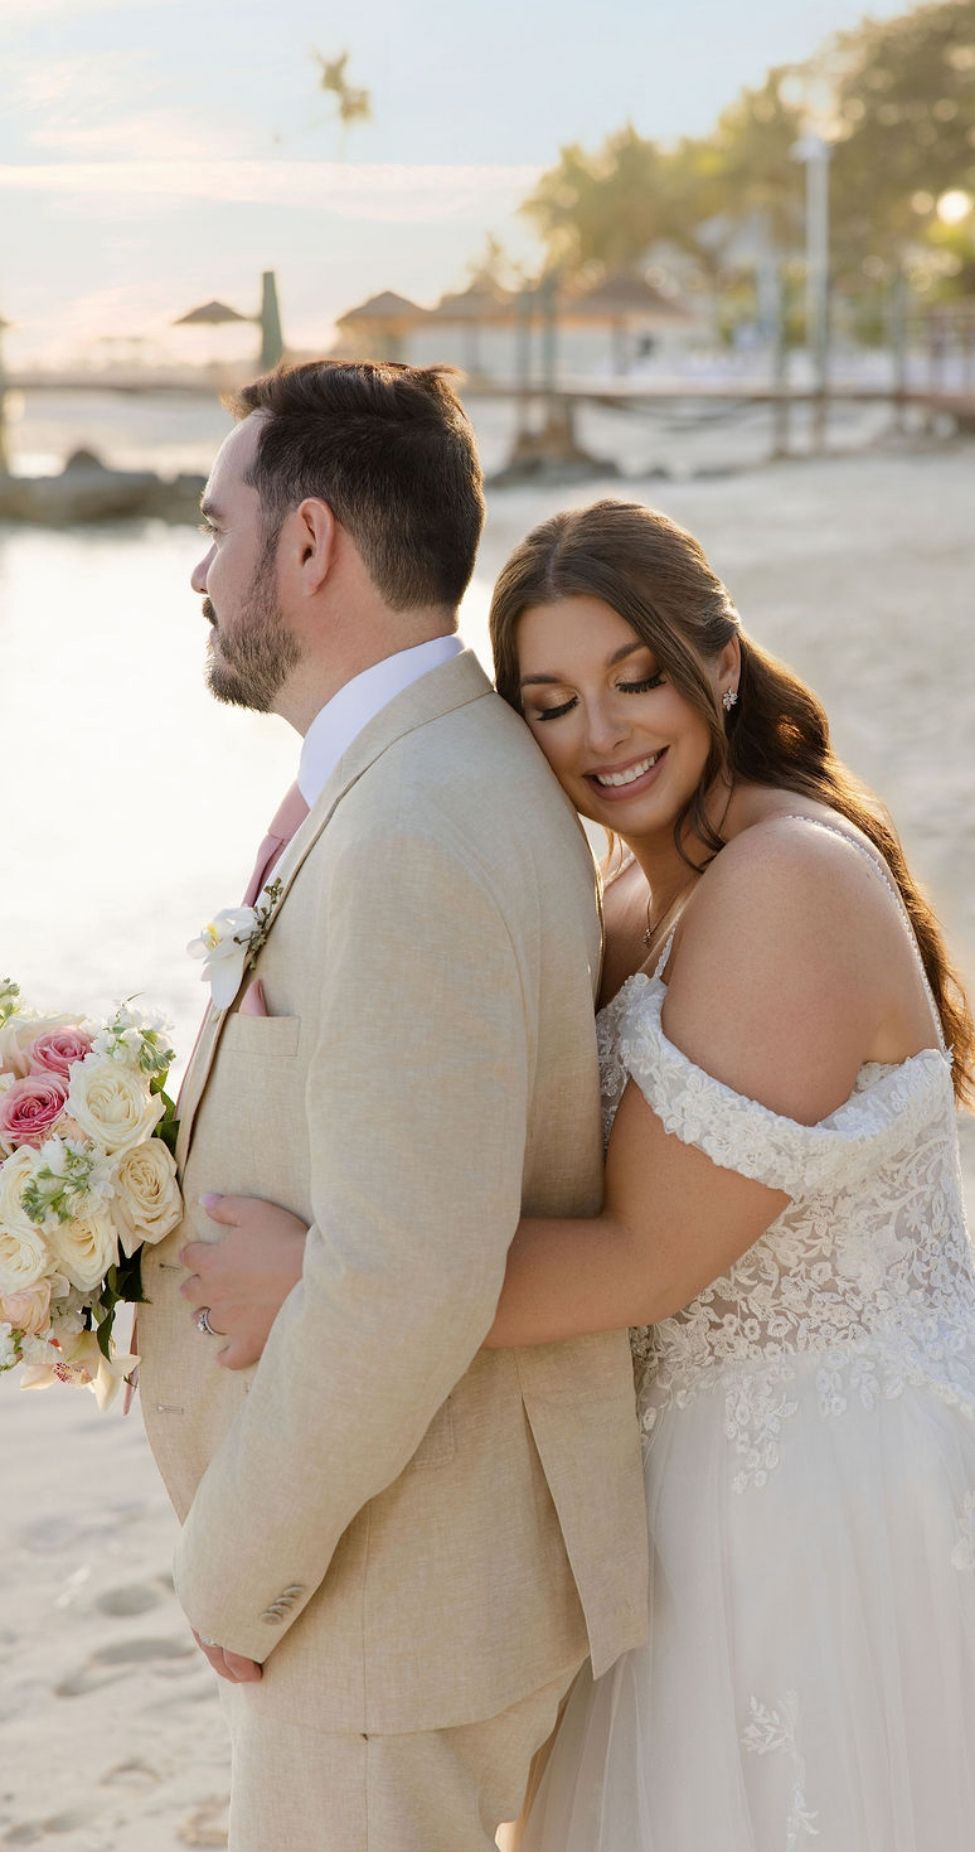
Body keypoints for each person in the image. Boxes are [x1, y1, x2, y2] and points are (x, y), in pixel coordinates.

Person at [184, 500, 975, 1849]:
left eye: (636, 678)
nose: (604, 732)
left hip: (826, 1470)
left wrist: (322, 1280)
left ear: (724, 667)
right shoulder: (633, 893)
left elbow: (647, 1255)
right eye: (553, 701)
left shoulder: (782, 884)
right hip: (678, 1466)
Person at [137, 368, 647, 1852]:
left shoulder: (416, 824)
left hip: (390, 1608)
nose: (194, 567)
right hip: (414, 1583)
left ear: (306, 547)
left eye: (213, 522)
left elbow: (403, 1277)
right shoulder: (423, 768)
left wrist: (239, 1571)